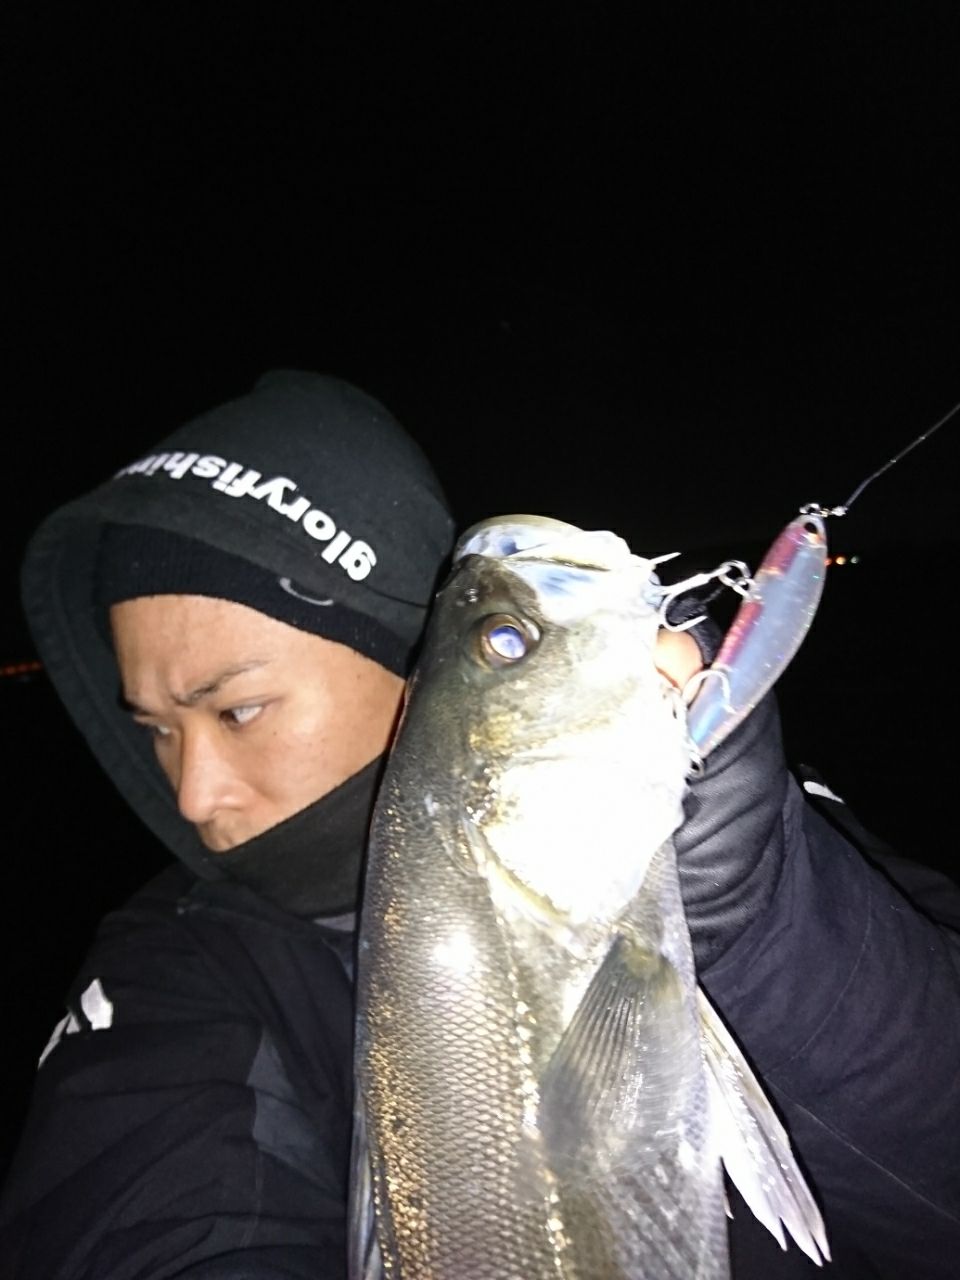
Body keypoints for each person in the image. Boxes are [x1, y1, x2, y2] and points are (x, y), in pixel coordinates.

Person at [0, 371, 957, 1278]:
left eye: (238, 709)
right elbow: (144, 1220)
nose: (193, 794)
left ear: (410, 678)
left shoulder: (773, 834)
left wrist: (765, 924)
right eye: (158, 730)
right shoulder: (174, 968)